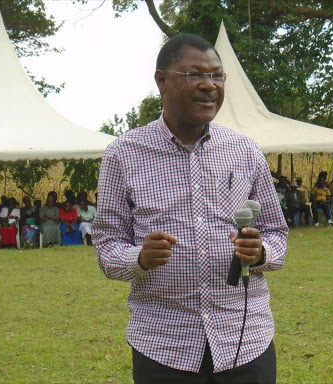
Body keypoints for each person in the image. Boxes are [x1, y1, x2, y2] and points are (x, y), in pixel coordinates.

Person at [92, 33, 288, 384]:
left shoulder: (245, 151)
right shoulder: (123, 154)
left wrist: (260, 253)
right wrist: (139, 257)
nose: (209, 86)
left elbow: (277, 234)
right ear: (162, 80)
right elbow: (106, 248)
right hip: (164, 346)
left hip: (245, 341)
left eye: (217, 76)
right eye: (195, 74)